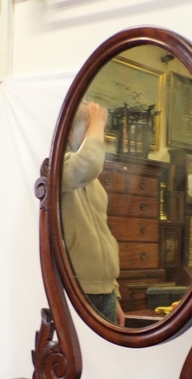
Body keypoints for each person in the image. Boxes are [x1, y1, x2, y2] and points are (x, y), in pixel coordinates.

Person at [61, 101, 126, 326]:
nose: (98, 135)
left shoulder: (94, 184)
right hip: (78, 292)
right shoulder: (59, 169)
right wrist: (96, 124)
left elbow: (104, 235)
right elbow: (87, 164)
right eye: (90, 129)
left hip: (104, 294)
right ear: (69, 134)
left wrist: (113, 293)